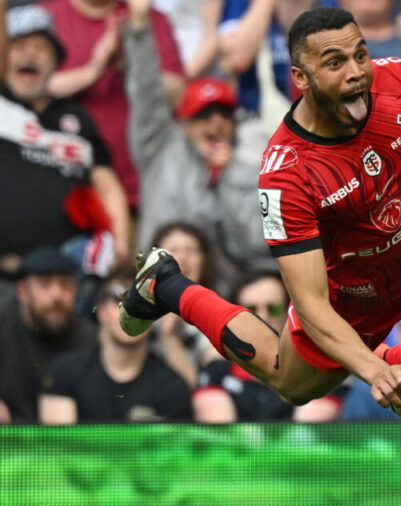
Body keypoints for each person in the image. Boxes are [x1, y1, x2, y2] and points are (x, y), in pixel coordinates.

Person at [119, 7, 401, 428]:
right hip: (349, 303)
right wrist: (373, 374)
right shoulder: (287, 173)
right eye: (335, 63)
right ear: (301, 77)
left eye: (360, 55)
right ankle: (166, 284)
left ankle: (397, 362)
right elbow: (311, 302)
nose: (356, 72)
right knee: (289, 382)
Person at [126, 1, 274, 292]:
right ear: (185, 124)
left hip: (218, 304)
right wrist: (140, 26)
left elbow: (254, 248)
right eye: (204, 115)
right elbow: (146, 93)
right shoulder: (159, 148)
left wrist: (226, 179)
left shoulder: (247, 169)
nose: (215, 123)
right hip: (155, 294)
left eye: (223, 114)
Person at [0, 4, 130, 282]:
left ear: (56, 61)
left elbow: (106, 184)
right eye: (19, 45)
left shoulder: (77, 118)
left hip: (70, 280)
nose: (31, 53)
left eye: (41, 47)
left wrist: (120, 247)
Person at [44, 0, 185, 210]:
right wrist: (93, 70)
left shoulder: (150, 19)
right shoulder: (47, 16)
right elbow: (28, 89)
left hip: (142, 194)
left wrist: (131, 63)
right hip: (65, 197)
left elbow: (179, 96)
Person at [39, 261, 191, 423]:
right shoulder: (64, 372)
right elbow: (60, 445)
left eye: (143, 301)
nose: (130, 311)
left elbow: (171, 447)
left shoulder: (173, 386)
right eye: (119, 299)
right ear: (101, 312)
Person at [193, 270, 343, 422]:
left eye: (273, 309)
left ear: (288, 313)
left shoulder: (317, 370)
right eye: (251, 310)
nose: (262, 317)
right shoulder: (218, 370)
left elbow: (304, 438)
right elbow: (221, 436)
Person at [0, 246, 96, 422]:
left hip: (67, 442)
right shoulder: (4, 324)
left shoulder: (89, 337)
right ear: (23, 291)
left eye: (65, 285)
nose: (57, 294)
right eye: (45, 285)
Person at [149, 222, 220, 387]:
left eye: (191, 250)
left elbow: (206, 391)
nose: (181, 258)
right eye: (172, 251)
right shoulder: (138, 313)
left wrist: (170, 337)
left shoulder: (218, 316)